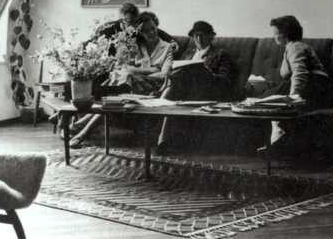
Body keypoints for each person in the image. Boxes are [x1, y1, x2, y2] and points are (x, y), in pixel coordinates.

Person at [70, 12, 174, 146]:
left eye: (153, 28)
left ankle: (81, 128)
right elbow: (124, 67)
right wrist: (152, 70)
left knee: (125, 79)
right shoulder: (135, 46)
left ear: (157, 27)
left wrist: (136, 73)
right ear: (140, 32)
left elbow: (165, 75)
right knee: (118, 88)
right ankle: (82, 131)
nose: (151, 33)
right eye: (146, 30)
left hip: (153, 88)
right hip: (131, 87)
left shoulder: (167, 47)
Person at [246, 15, 331, 149]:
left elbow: (300, 72)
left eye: (275, 33)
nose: (273, 36)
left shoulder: (295, 47)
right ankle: (277, 130)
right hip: (315, 85)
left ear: (285, 34)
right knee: (269, 93)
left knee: (263, 98)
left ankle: (276, 132)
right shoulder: (295, 46)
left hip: (312, 84)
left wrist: (294, 95)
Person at [156, 21, 237, 153]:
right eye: (195, 36)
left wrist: (207, 73)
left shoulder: (221, 54)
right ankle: (162, 140)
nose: (198, 39)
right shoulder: (188, 53)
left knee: (172, 89)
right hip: (184, 89)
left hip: (206, 91)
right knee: (174, 83)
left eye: (202, 35)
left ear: (211, 36)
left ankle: (162, 137)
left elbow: (225, 81)